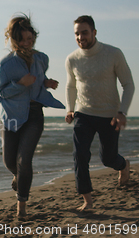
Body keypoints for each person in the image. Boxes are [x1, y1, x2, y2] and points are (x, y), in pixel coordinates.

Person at [0, 14, 65, 216]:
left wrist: (47, 83)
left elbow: (40, 80)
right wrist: (20, 84)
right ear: (14, 40)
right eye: (23, 40)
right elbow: (1, 92)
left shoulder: (42, 58)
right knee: (10, 162)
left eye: (31, 39)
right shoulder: (6, 65)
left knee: (24, 160)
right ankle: (19, 177)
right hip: (11, 116)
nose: (28, 43)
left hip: (35, 114)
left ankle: (21, 206)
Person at [65, 15, 135, 211]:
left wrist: (122, 112)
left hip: (109, 115)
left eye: (84, 32)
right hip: (83, 113)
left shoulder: (113, 54)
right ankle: (87, 200)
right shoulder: (71, 59)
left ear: (94, 32)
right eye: (77, 34)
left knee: (108, 159)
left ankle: (123, 165)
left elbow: (128, 84)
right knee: (80, 155)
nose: (80, 37)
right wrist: (70, 108)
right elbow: (71, 86)